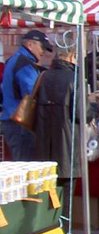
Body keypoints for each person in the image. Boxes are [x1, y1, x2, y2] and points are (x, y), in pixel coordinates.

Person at [33, 43, 90, 211]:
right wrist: (94, 108)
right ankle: (65, 231)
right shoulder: (75, 78)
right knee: (66, 195)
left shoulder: (43, 76)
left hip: (43, 144)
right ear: (72, 56)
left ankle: (48, 228)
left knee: (47, 193)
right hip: (67, 145)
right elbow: (82, 113)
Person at [1, 29, 51, 160]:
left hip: (13, 121)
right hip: (20, 123)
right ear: (30, 44)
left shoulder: (15, 60)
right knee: (26, 166)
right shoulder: (24, 64)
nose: (43, 52)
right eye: (42, 47)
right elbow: (32, 93)